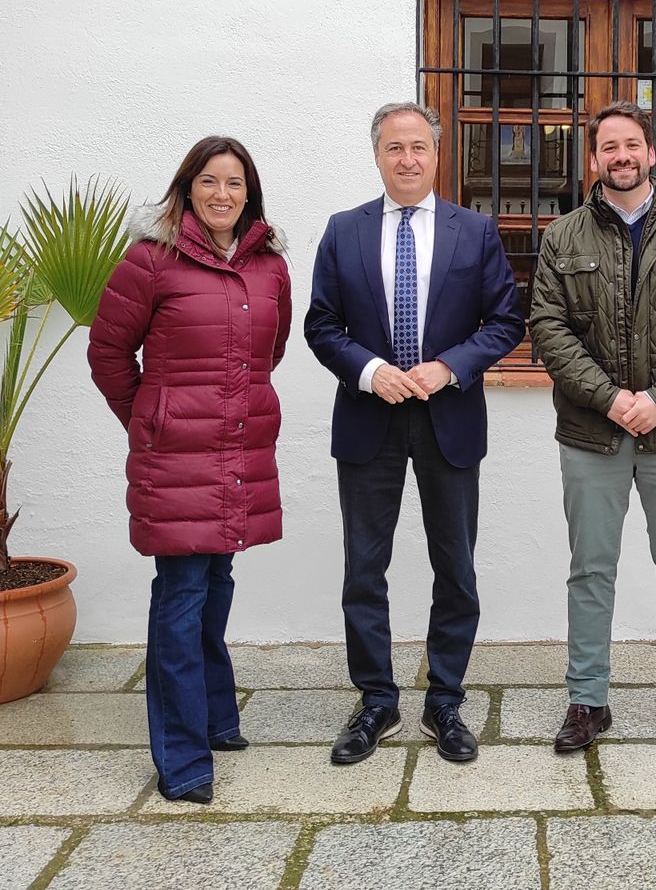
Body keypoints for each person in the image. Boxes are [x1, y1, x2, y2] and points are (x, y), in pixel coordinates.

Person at [305, 102, 524, 765]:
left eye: (418, 148)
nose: (407, 159)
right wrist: (372, 371)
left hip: (448, 417)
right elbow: (321, 325)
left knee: (455, 566)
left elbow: (504, 321)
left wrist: (449, 367)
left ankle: (445, 700)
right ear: (377, 155)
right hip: (369, 418)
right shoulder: (343, 231)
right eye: (394, 147)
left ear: (437, 154)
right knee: (364, 569)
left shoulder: (474, 230)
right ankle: (376, 698)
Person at [87, 136, 292, 804]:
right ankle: (183, 756)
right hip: (176, 455)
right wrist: (151, 415)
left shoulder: (270, 268)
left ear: (249, 194)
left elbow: (270, 351)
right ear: (187, 187)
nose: (222, 194)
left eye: (235, 183)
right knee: (180, 594)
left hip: (236, 450)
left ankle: (214, 715)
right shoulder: (151, 259)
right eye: (210, 181)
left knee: (217, 580)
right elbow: (108, 352)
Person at [528, 101, 656, 760]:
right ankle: (588, 698)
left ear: (651, 153)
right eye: (608, 146)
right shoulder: (563, 237)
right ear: (594, 159)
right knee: (591, 570)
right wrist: (613, 398)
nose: (620, 156)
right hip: (594, 435)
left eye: (632, 144)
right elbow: (549, 331)